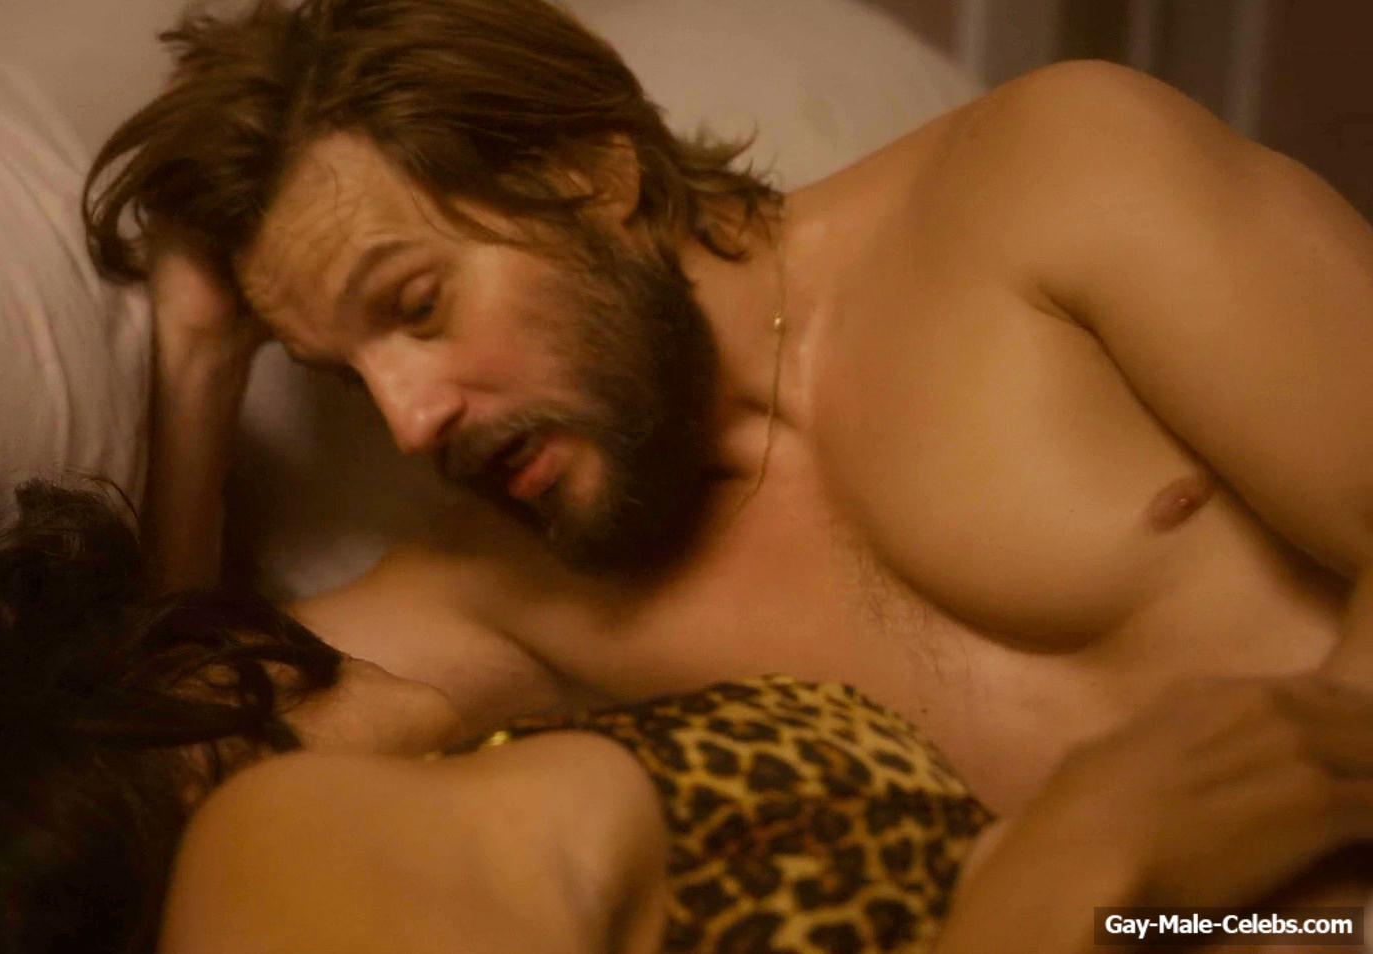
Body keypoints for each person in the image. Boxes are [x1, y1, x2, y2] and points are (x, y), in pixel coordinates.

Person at [83, 0, 1373, 824]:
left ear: (588, 175)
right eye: (343, 380)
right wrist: (197, 369)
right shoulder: (512, 587)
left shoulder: (1049, 175)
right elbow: (175, 780)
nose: (408, 420)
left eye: (415, 305)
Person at [0, 478, 1373, 954]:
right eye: (198, 645)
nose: (272, 629)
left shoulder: (457, 782)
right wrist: (1082, 868)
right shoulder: (272, 842)